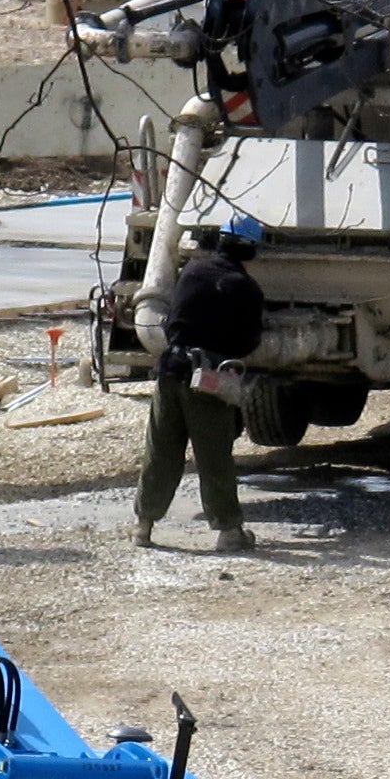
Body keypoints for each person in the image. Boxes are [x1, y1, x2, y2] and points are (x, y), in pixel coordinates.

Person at [141, 213, 264, 553]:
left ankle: (144, 526)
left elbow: (170, 323)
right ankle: (228, 531)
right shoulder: (245, 288)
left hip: (170, 369)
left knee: (162, 449)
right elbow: (248, 342)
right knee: (213, 456)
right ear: (250, 248)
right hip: (208, 379)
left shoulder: (192, 272)